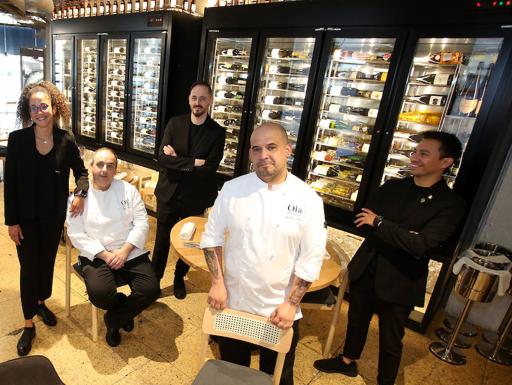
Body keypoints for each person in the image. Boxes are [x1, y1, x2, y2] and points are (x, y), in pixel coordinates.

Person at [314, 131, 466, 385]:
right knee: (357, 320)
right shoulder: (394, 186)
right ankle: (347, 361)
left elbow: (422, 245)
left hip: (401, 278)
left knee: (391, 338)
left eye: (423, 153)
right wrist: (401, 233)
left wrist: (381, 223)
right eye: (415, 152)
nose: (414, 157)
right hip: (368, 265)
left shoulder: (450, 204)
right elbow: (364, 220)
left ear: (445, 162)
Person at [200, 123, 327, 385]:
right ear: (249, 154)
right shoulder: (232, 189)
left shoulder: (308, 199)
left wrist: (291, 304)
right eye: (256, 149)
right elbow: (211, 237)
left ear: (287, 151)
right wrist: (217, 283)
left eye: (271, 147)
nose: (263, 155)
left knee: (279, 378)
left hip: (278, 310)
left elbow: (311, 258)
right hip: (233, 302)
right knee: (231, 374)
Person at [4, 81, 89, 356]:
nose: (40, 111)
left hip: (53, 218)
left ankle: (41, 302)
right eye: (34, 108)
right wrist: (11, 222)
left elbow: (81, 171)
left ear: (54, 107)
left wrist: (80, 192)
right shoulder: (17, 140)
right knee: (28, 268)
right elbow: (11, 186)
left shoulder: (66, 139)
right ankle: (29, 323)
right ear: (28, 112)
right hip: (25, 220)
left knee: (47, 263)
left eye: (44, 106)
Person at [66, 147, 159, 347]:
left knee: (150, 289)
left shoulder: (128, 190)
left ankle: (114, 320)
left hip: (130, 251)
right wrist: (107, 256)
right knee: (100, 295)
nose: (104, 170)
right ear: (91, 166)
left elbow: (142, 223)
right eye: (100, 164)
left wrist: (125, 250)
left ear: (115, 169)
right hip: (97, 254)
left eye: (110, 166)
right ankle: (122, 308)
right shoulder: (79, 198)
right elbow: (76, 234)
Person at [152, 80, 226, 299]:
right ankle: (153, 282)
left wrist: (180, 161)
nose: (198, 102)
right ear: (189, 100)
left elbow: (210, 169)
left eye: (203, 98)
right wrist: (194, 162)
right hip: (168, 194)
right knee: (161, 240)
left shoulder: (217, 133)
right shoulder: (175, 124)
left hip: (195, 197)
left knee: (188, 241)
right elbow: (163, 159)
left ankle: (178, 278)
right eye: (194, 98)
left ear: (210, 101)